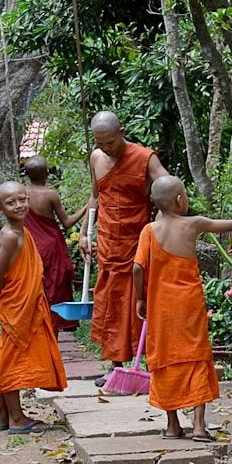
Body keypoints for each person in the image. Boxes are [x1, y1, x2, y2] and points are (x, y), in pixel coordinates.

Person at [133, 175, 232, 441]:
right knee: (196, 357)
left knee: (164, 360)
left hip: (161, 309)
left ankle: (172, 425)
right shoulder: (194, 224)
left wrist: (140, 299)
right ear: (180, 200)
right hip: (189, 306)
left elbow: (137, 268)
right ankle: (199, 426)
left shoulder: (148, 231)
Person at [78, 111, 168, 385]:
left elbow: (169, 190)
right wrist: (84, 233)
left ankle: (151, 363)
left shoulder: (145, 158)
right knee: (111, 305)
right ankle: (116, 367)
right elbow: (96, 197)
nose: (106, 148)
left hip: (137, 241)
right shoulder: (96, 158)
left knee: (139, 303)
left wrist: (162, 229)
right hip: (107, 243)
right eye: (100, 143)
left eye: (111, 143)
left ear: (122, 131)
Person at [0, 181, 68, 434]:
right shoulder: (12, 236)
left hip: (25, 304)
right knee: (9, 360)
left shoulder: (25, 232)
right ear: (0, 208)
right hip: (15, 305)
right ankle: (16, 418)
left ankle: (3, 416)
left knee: (11, 356)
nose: (19, 205)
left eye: (22, 199)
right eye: (11, 202)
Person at [22, 155, 88, 332]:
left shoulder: (21, 194)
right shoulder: (50, 194)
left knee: (35, 287)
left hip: (30, 246)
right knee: (54, 288)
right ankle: (54, 332)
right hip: (51, 246)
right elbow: (67, 222)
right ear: (47, 172)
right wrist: (86, 207)